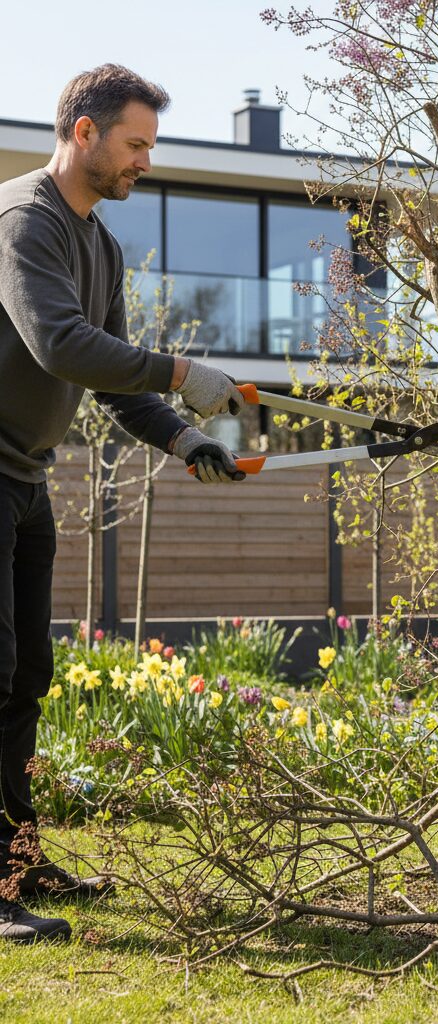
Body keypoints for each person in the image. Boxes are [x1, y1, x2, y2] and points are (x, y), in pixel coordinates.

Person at [0, 64, 246, 943]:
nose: (146, 161)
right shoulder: (22, 220)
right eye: (136, 144)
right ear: (84, 133)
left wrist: (185, 437)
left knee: (28, 675)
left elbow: (110, 376)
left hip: (23, 479)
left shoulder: (98, 244)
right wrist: (184, 372)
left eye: (149, 145)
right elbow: (61, 344)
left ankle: (15, 863)